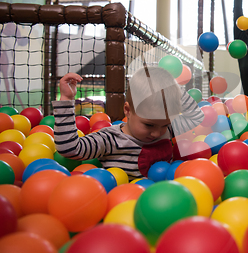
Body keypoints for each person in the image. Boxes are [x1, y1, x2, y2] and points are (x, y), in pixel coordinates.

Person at [53, 66, 204, 180]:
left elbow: (196, 117)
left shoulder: (168, 130)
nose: (158, 133)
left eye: (165, 124)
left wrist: (174, 92)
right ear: (128, 110)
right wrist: (66, 100)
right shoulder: (110, 139)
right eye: (149, 125)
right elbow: (70, 148)